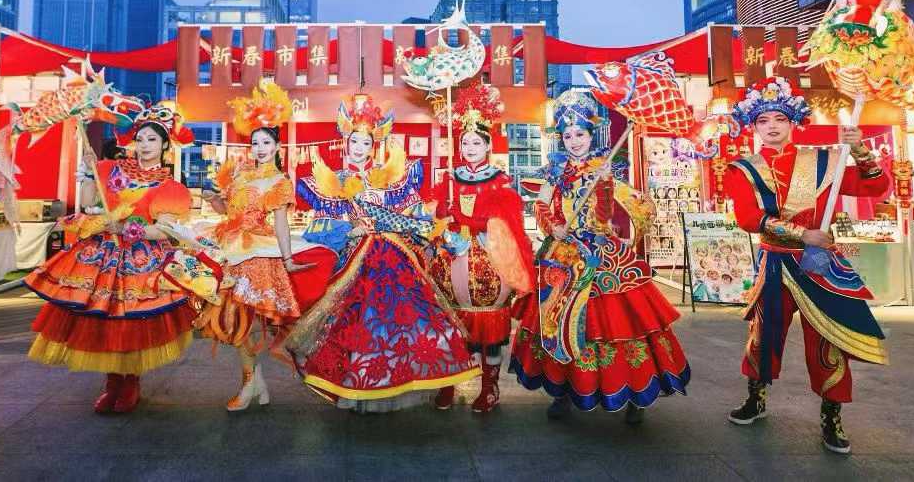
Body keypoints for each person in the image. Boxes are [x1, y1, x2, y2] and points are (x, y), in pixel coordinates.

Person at [722, 77, 890, 454]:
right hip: (775, 261)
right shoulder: (743, 169)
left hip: (819, 265)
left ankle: (832, 415)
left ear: (792, 122)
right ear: (754, 127)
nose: (771, 126)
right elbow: (748, 218)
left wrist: (860, 151)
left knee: (828, 339)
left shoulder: (823, 161)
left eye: (779, 118)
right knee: (764, 335)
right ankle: (756, 397)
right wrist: (804, 233)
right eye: (763, 120)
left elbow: (874, 188)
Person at [284, 94, 478, 413]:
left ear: (373, 146)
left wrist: (434, 226)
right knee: (358, 326)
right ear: (346, 143)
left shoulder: (390, 177)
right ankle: (357, 385)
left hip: (392, 256)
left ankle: (395, 381)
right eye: (354, 141)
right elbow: (319, 226)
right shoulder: (334, 181)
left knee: (399, 322)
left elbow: (414, 211)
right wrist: (351, 231)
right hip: (355, 260)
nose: (359, 148)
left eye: (365, 143)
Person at [509, 90, 690, 424]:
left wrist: (604, 184)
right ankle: (562, 390)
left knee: (619, 323)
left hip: (602, 254)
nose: (574, 141)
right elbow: (540, 205)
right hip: (562, 254)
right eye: (568, 135)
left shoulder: (604, 168)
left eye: (580, 134)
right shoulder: (554, 170)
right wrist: (552, 226)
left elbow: (606, 217)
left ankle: (634, 393)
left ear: (592, 135)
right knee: (557, 322)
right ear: (560, 138)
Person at [24, 100, 203, 414]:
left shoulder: (170, 186)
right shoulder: (110, 170)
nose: (145, 145)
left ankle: (130, 381)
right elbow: (88, 203)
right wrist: (88, 174)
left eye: (152, 139)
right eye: (140, 138)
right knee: (104, 320)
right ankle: (112, 383)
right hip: (103, 254)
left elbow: (164, 231)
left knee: (130, 321)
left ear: (165, 145)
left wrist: (128, 229)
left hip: (140, 258)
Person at [194, 80, 315, 411]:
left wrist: (287, 259)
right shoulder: (240, 175)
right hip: (229, 244)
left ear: (277, 146)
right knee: (232, 320)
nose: (260, 148)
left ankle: (250, 383)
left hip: (256, 251)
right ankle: (253, 381)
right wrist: (214, 200)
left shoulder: (279, 181)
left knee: (243, 320)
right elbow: (227, 211)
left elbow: (280, 223)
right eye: (255, 143)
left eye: (266, 142)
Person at [427, 83, 534, 413]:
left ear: (488, 145)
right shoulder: (450, 178)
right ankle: (448, 383)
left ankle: (490, 387)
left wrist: (475, 221)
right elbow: (436, 217)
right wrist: (443, 213)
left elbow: (506, 220)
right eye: (465, 142)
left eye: (477, 142)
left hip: (489, 260)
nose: (470, 148)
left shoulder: (499, 180)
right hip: (451, 259)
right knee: (450, 326)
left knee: (489, 334)